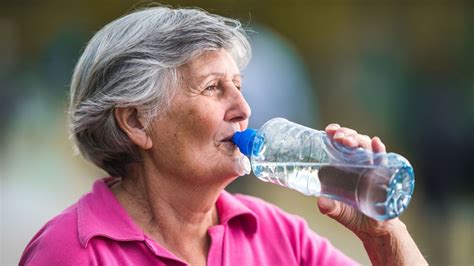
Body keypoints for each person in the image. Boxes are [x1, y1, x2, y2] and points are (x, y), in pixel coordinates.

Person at [20, 6, 427, 266]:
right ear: (137, 122)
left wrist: (384, 234)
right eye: (214, 88)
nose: (245, 109)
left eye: (239, 85)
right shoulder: (74, 252)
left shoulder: (276, 234)